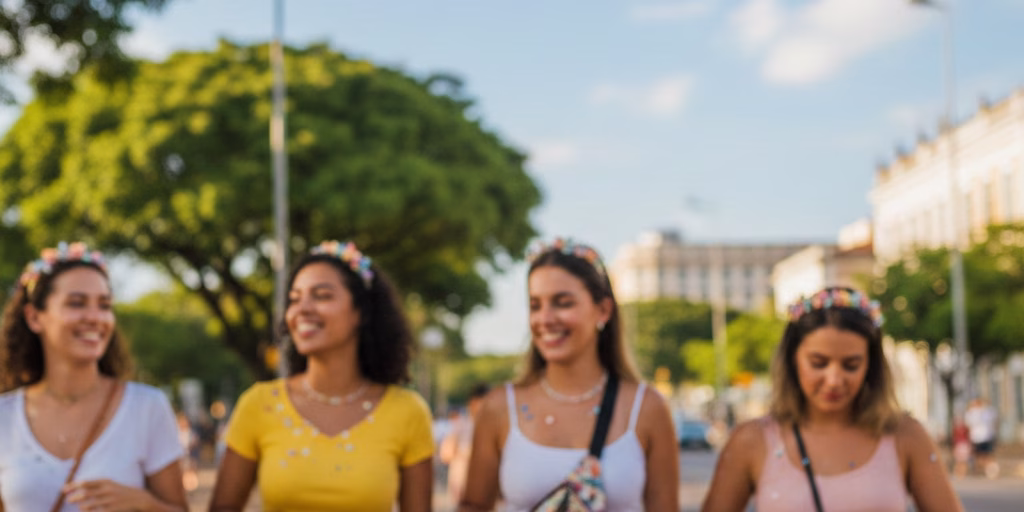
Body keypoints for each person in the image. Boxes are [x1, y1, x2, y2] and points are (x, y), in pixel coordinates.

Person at [209, 240, 434, 511]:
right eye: (294, 299)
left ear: (361, 312)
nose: (302, 309)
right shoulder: (258, 404)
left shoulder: (407, 412)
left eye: (322, 295)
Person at [458, 238, 679, 511]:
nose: (545, 319)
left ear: (603, 310)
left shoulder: (647, 407)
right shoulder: (500, 406)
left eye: (562, 303)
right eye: (535, 305)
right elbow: (473, 505)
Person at [701, 286, 963, 512]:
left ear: (870, 366)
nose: (835, 380)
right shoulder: (752, 441)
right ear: (793, 360)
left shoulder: (906, 436)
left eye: (851, 365)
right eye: (818, 363)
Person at [0, 242, 187, 511]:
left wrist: (143, 504)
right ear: (34, 317)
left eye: (105, 305)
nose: (95, 317)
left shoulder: (147, 406)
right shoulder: (4, 418)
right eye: (76, 303)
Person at [441, 383, 490, 505]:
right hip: (461, 486)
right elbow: (446, 455)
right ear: (472, 403)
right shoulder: (460, 426)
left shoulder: (493, 427)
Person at [964, 396, 999, 478]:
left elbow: (994, 422)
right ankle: (981, 470)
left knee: (987, 454)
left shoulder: (987, 411)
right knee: (979, 455)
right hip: (977, 437)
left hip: (985, 437)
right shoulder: (973, 412)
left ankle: (989, 470)